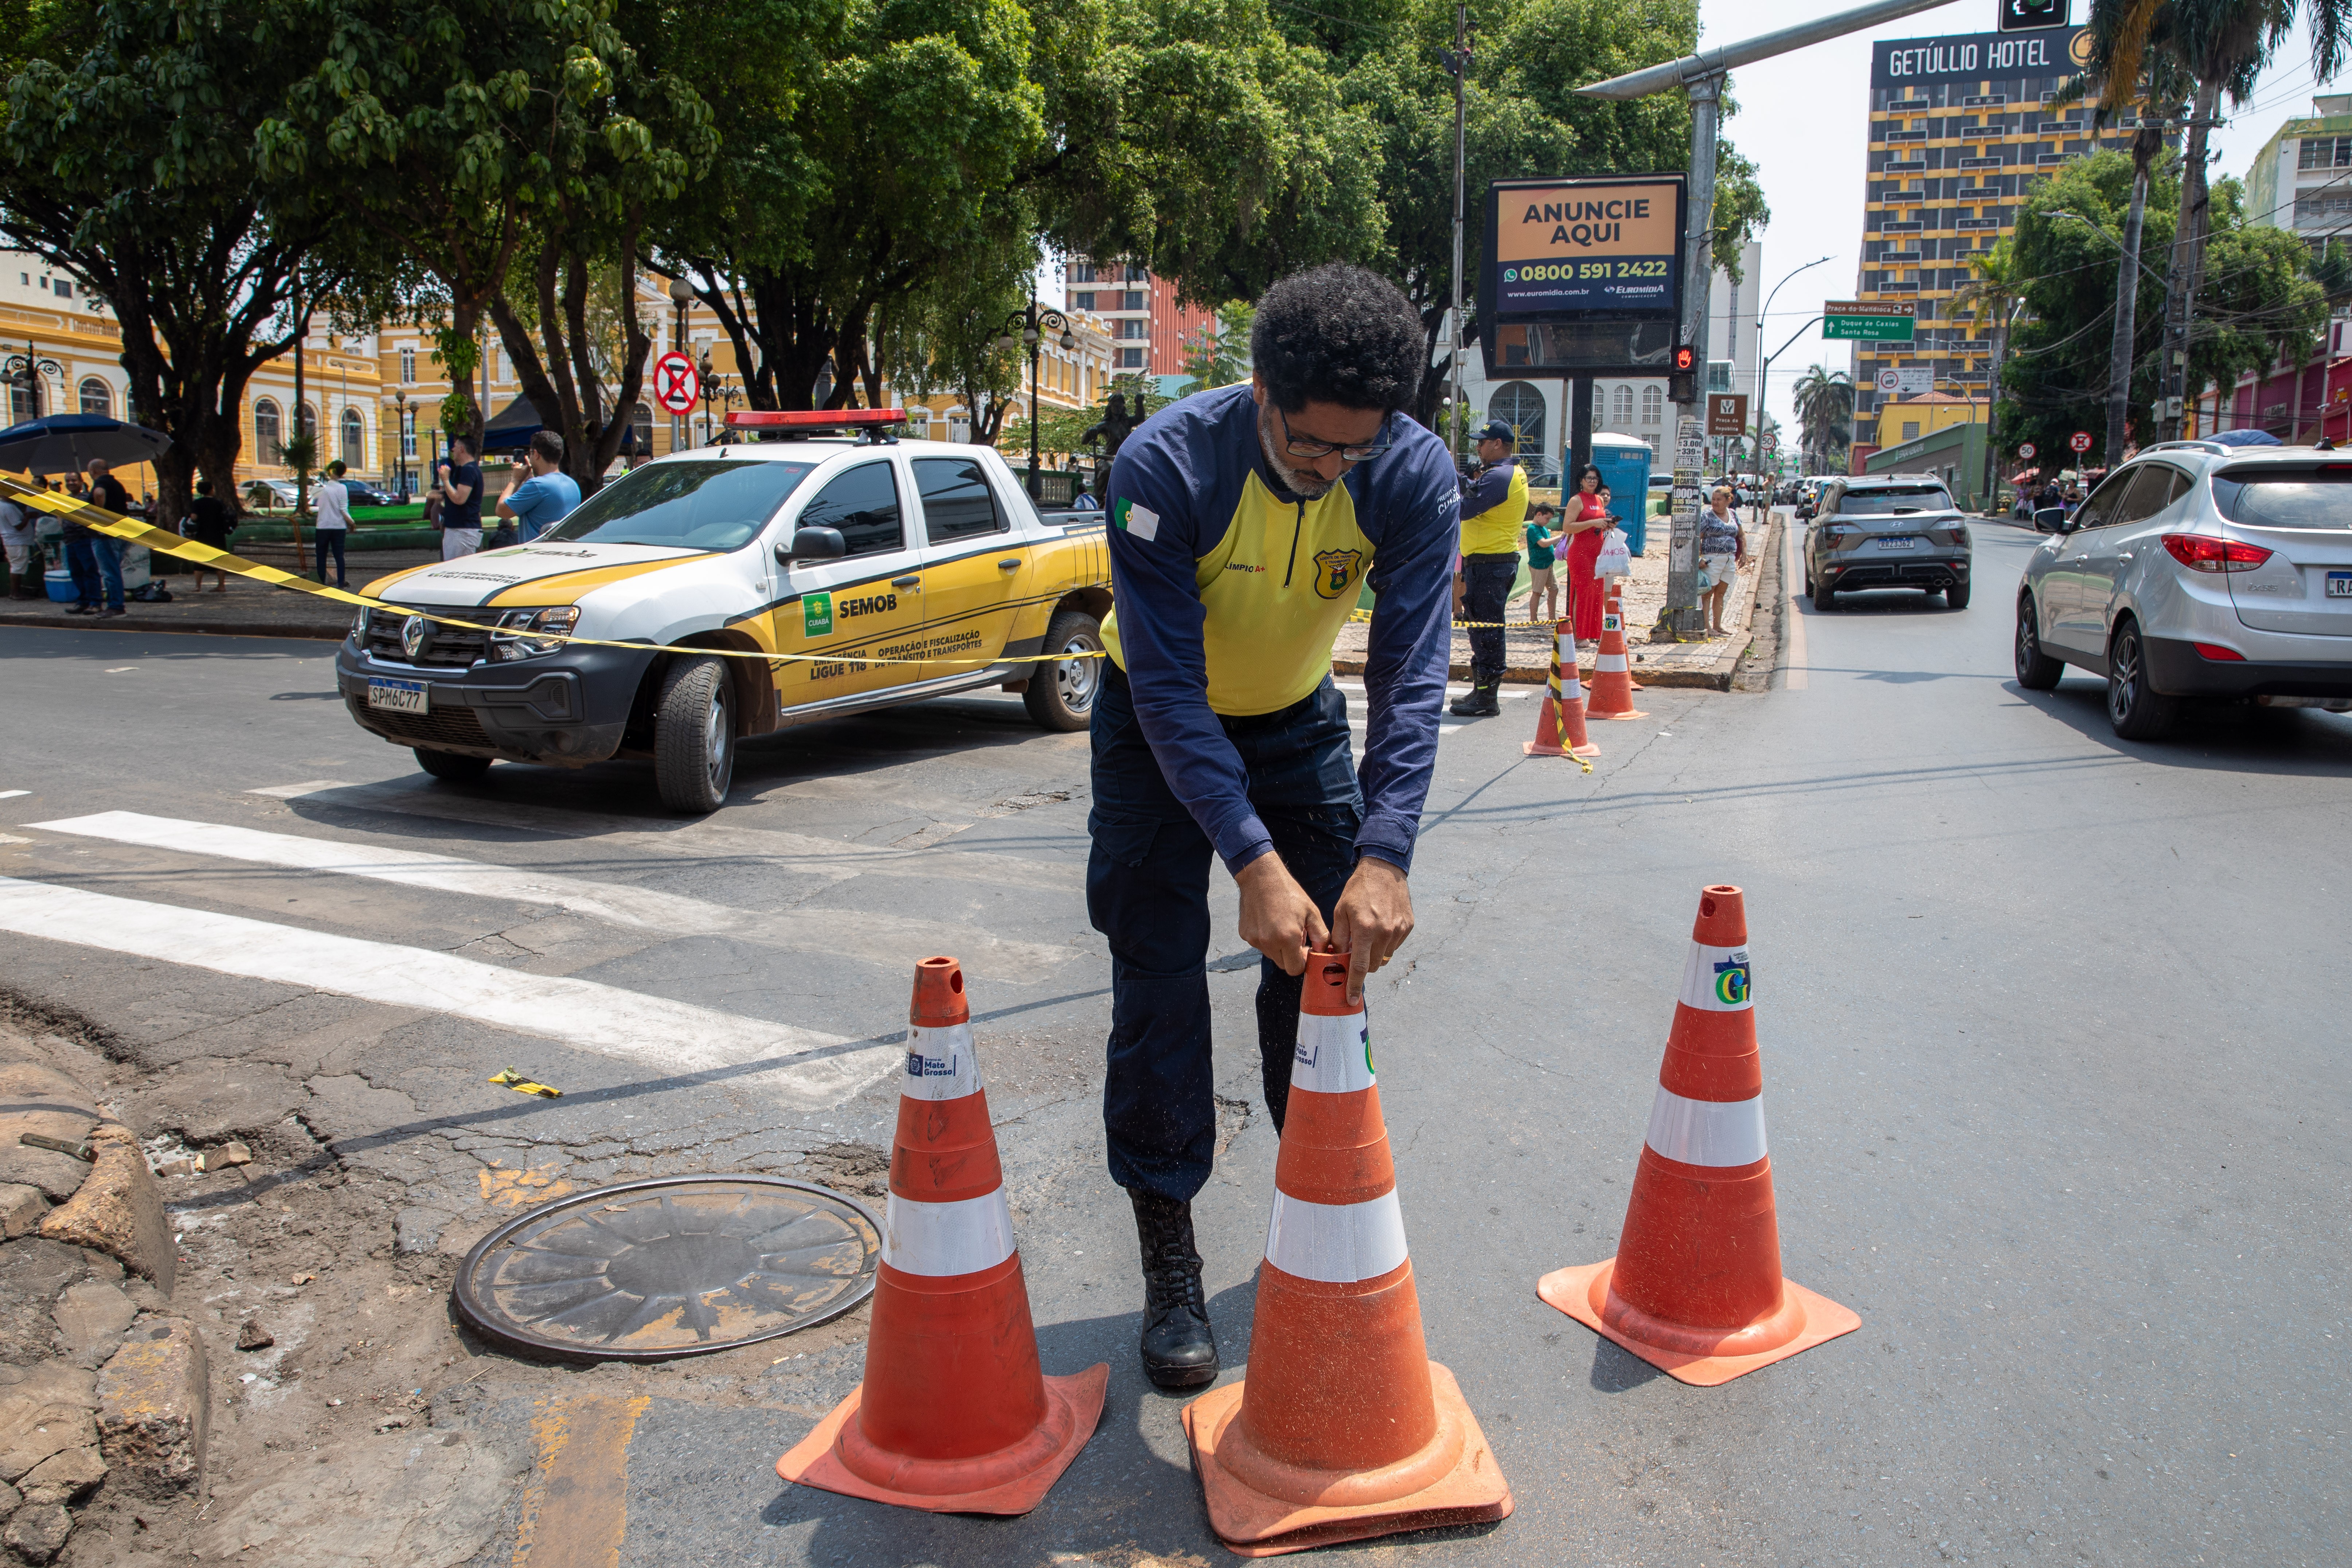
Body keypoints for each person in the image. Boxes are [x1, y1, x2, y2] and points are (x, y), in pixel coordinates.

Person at [1089, 263, 1454, 1391]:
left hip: (1298, 718)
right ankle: (1172, 1261)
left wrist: (1386, 850)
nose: (1330, 471)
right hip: (1156, 729)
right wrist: (1249, 858)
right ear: (1259, 393)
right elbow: (1168, 691)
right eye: (1309, 448)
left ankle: (1321, 1233)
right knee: (1156, 983)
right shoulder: (1163, 469)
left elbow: (1411, 671)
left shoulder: (1410, 475)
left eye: (1357, 449)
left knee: (1325, 973)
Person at [1449, 419, 1526, 716]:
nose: (1478, 447)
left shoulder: (1500, 476)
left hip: (1490, 565)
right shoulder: (1508, 473)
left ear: (1497, 444)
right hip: (1491, 562)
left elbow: (1465, 508)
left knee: (1487, 631)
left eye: (1482, 442)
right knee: (1481, 628)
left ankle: (1486, 697)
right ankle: (1482, 691)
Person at [66, 459, 131, 618]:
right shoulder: (117, 484)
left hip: (104, 535)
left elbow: (99, 493)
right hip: (120, 532)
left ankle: (116, 606)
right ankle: (114, 604)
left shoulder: (101, 483)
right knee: (114, 570)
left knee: (109, 572)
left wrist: (99, 516)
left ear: (93, 471)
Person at [496, 430, 581, 543]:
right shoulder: (572, 484)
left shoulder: (537, 486)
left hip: (537, 554)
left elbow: (502, 511)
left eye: (530, 453)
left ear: (536, 454)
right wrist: (530, 479)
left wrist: (515, 480)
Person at [1560, 464, 1610, 649]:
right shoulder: (1576, 500)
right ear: (1581, 480)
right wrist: (1593, 522)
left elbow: (1597, 524)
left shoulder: (1599, 499)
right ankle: (1579, 635)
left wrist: (1605, 524)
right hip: (1580, 553)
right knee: (1581, 594)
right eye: (1589, 478)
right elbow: (1567, 527)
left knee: (1596, 593)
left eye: (1595, 478)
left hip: (1597, 552)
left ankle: (1591, 633)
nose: (1592, 482)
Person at [1699, 484, 1746, 634]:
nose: (1715, 502)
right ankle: (1707, 626)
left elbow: (1741, 535)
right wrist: (1699, 558)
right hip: (1712, 559)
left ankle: (1718, 625)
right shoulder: (1706, 516)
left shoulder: (1732, 514)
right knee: (1708, 593)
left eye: (1719, 500)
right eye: (1714, 499)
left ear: (1728, 500)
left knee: (1721, 593)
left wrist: (1744, 552)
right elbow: (1697, 539)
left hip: (1729, 559)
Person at [434, 435, 483, 558]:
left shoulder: (469, 470)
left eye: (455, 447)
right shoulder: (465, 470)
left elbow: (460, 499)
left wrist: (445, 480)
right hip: (458, 530)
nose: (453, 450)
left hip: (462, 532)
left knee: (458, 571)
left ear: (462, 449)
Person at [183, 478, 234, 592]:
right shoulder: (218, 503)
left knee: (200, 560)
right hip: (218, 534)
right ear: (211, 490)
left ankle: (198, 586)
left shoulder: (197, 503)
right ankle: (221, 585)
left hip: (203, 534)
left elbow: (194, 518)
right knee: (220, 560)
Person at [312, 460, 353, 588]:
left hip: (323, 526)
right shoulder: (342, 489)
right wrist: (352, 523)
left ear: (332, 471)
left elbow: (315, 502)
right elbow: (343, 509)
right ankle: (341, 581)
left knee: (321, 555)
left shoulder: (322, 488)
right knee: (339, 556)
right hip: (338, 526)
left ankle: (321, 581)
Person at [1523, 501, 1560, 623]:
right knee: (1537, 592)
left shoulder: (1543, 528)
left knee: (1554, 589)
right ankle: (1534, 619)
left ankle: (1552, 617)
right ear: (1539, 515)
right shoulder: (1533, 529)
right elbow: (1543, 543)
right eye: (1547, 518)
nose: (1548, 521)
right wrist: (1561, 537)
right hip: (1539, 565)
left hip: (1548, 563)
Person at [0, 493, 33, 600]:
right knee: (17, 568)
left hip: (12, 541)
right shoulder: (8, 507)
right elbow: (19, 526)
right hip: (17, 541)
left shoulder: (3, 505)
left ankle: (14, 593)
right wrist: (28, 516)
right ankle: (15, 594)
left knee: (16, 567)